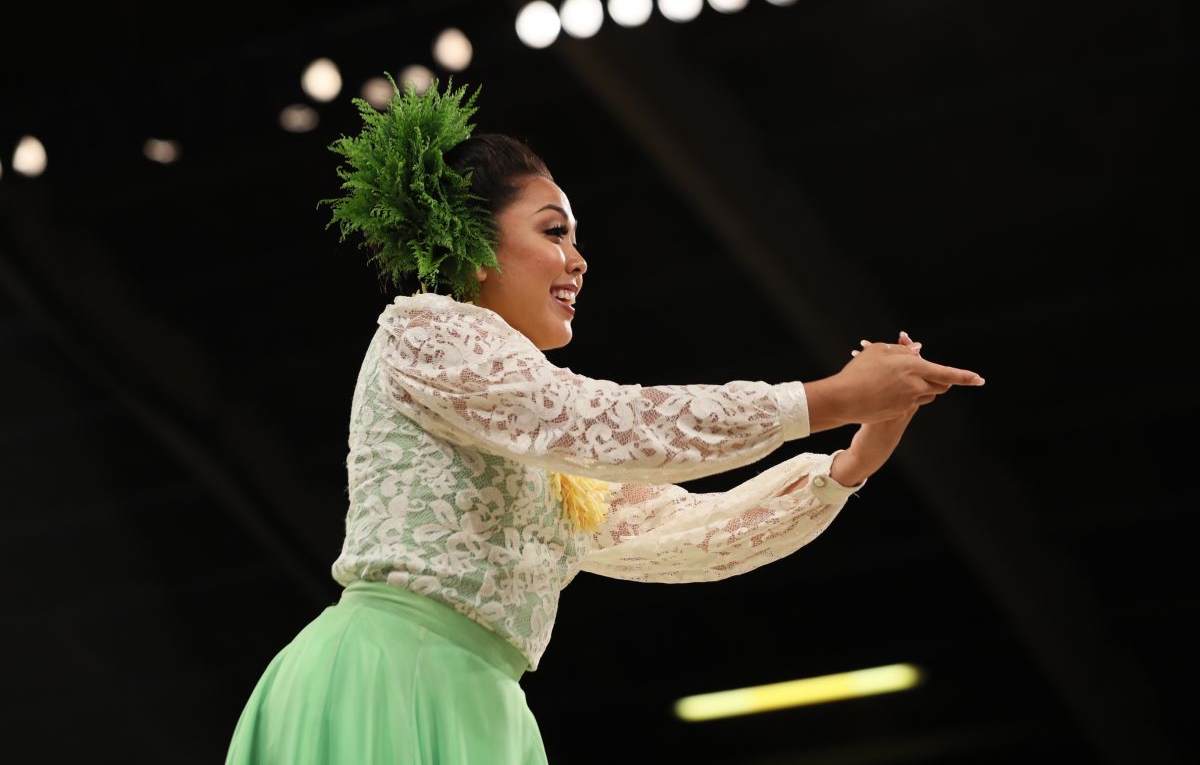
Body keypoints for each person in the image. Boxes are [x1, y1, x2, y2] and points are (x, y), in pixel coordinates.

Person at [224, 79, 985, 764]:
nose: (580, 259)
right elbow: (616, 425)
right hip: (390, 676)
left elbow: (680, 535)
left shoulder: (537, 439)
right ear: (475, 246)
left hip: (480, 700)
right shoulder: (428, 333)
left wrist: (849, 464)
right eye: (555, 232)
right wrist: (825, 398)